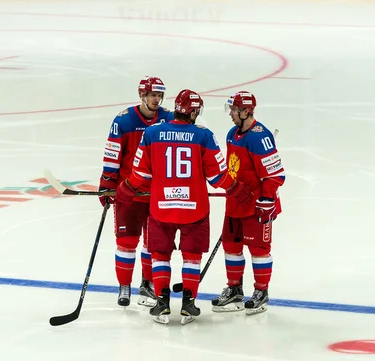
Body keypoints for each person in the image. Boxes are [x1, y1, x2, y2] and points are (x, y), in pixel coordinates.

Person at [114, 89, 252, 324]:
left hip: (161, 207)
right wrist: (238, 191)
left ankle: (162, 301)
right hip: (194, 209)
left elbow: (139, 173)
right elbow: (218, 176)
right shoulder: (204, 135)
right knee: (191, 256)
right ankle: (189, 302)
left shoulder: (152, 132)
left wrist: (124, 190)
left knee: (159, 255)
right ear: (195, 111)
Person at [99, 76, 175, 307]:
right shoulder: (124, 120)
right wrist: (107, 184)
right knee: (127, 241)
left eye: (159, 95)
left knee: (153, 244)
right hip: (129, 192)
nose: (157, 99)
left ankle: (147, 283)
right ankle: (124, 286)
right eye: (152, 95)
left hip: (158, 194)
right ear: (142, 95)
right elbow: (113, 154)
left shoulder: (168, 119)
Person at [211, 91, 285, 315]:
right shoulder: (232, 134)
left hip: (256, 205)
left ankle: (261, 292)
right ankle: (234, 289)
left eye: (234, 110)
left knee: (258, 249)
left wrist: (267, 198)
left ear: (246, 111)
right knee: (231, 247)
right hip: (236, 202)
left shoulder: (259, 137)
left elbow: (275, 174)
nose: (231, 114)